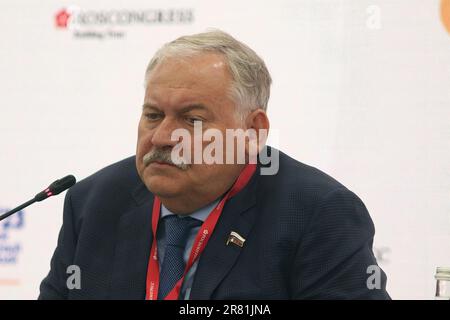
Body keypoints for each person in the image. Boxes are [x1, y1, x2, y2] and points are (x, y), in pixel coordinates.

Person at [39, 29, 390, 300]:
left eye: (191, 120)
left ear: (252, 131)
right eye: (153, 115)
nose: (162, 137)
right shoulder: (92, 203)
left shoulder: (317, 214)